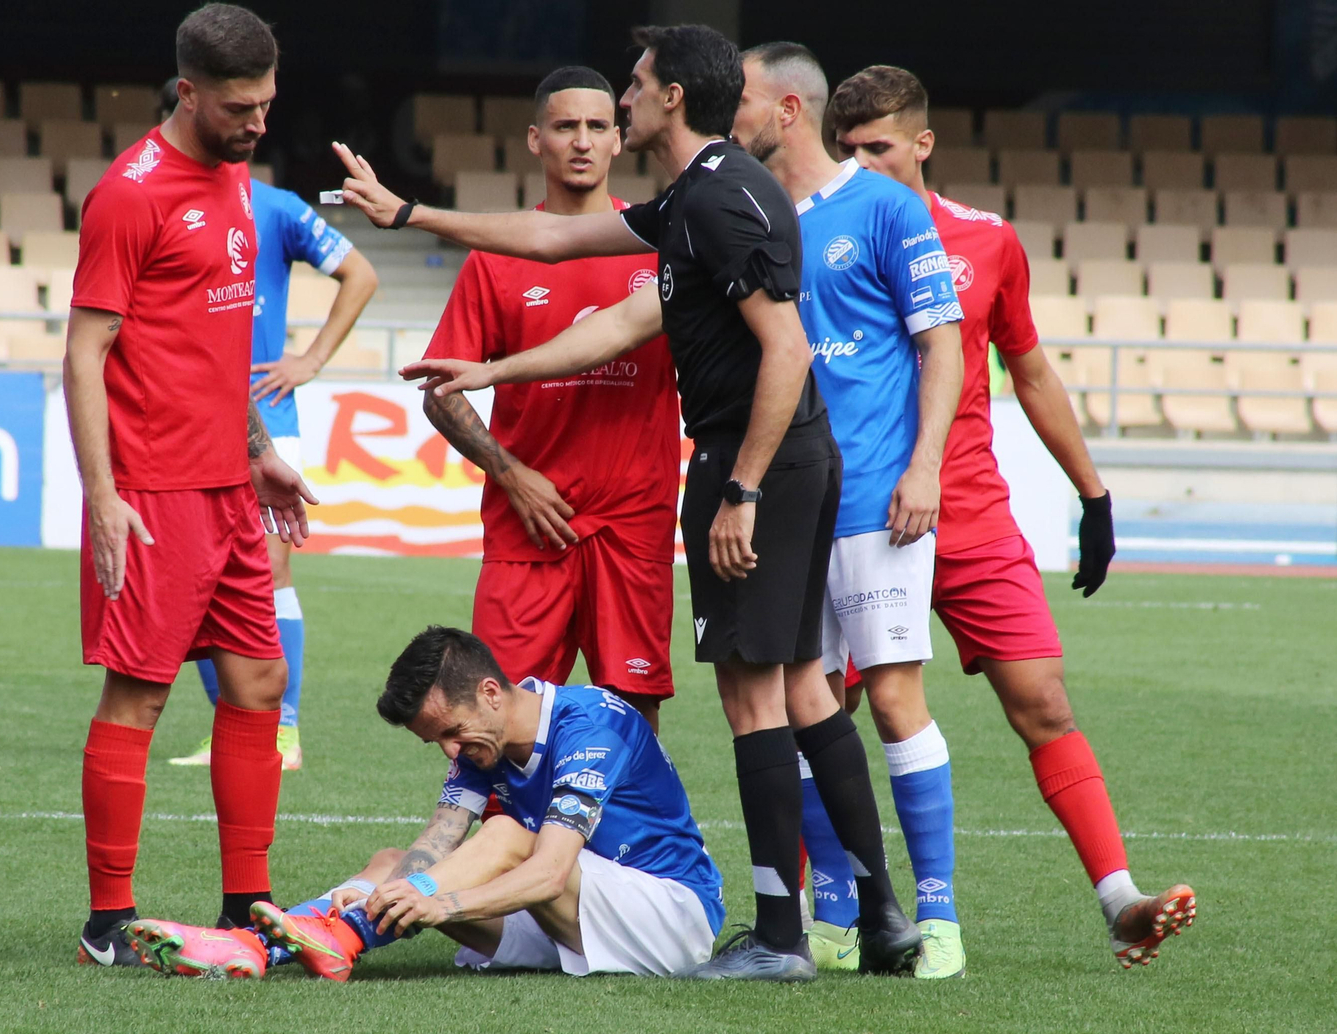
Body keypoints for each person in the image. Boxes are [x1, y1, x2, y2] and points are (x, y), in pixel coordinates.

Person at [375, 24, 921, 981]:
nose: (621, 101)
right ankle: (880, 915)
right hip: (783, 461)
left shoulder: (715, 198)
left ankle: (784, 939)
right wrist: (422, 230)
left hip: (758, 462)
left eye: (632, 85)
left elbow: (787, 352)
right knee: (798, 688)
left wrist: (741, 488)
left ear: (671, 97)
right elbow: (574, 272)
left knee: (756, 698)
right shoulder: (692, 199)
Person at [827, 64, 1195, 968]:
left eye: (879, 147)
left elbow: (1029, 372)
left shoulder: (987, 242)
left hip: (971, 514)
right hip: (860, 514)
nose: (862, 164)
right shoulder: (818, 236)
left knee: (1044, 703)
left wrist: (1094, 494)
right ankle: (824, 919)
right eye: (848, 150)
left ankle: (1118, 901)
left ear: (923, 143)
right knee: (818, 714)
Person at [63, 3, 316, 968]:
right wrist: (104, 497)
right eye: (240, 108)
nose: (258, 122)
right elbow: (85, 354)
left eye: (267, 103)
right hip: (155, 492)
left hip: (227, 486)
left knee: (259, 681)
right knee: (140, 699)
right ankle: (106, 922)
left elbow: (218, 347)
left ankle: (247, 900)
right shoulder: (131, 194)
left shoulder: (237, 175)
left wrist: (257, 450)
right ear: (190, 92)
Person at [729, 42, 967, 978]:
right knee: (800, 705)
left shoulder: (886, 206)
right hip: (791, 503)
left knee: (896, 698)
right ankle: (836, 912)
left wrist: (925, 468)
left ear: (788, 107)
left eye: (741, 98)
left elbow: (940, 345)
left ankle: (939, 916)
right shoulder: (752, 211)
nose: (728, 112)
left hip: (876, 495)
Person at [120, 626, 726, 983]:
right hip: (576, 914)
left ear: (491, 692)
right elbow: (431, 848)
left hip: (671, 919)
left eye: (451, 732)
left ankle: (338, 941)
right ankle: (259, 946)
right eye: (436, 740)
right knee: (393, 861)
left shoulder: (591, 725)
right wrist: (400, 890)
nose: (449, 751)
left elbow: (544, 870)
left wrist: (441, 903)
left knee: (511, 836)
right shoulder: (481, 745)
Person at [419, 65, 679, 733]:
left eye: (598, 127)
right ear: (536, 140)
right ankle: (509, 839)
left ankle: (612, 842)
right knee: (497, 711)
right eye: (566, 127)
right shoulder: (497, 259)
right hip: (528, 524)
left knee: (633, 709)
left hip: (632, 521)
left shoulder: (660, 246)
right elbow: (441, 390)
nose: (583, 141)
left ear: (620, 141)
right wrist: (512, 475)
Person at [157, 85, 380, 772]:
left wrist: (310, 358)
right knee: (197, 575)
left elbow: (360, 273)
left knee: (268, 562)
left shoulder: (275, 208)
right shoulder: (162, 204)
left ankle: (282, 730)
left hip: (264, 417)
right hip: (186, 417)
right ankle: (234, 727)